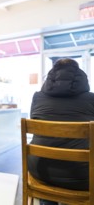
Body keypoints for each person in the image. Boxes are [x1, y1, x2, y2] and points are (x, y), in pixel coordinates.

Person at [28, 58, 94, 204]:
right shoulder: (92, 100)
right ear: (80, 75)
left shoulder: (37, 97)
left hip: (40, 171)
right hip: (82, 176)